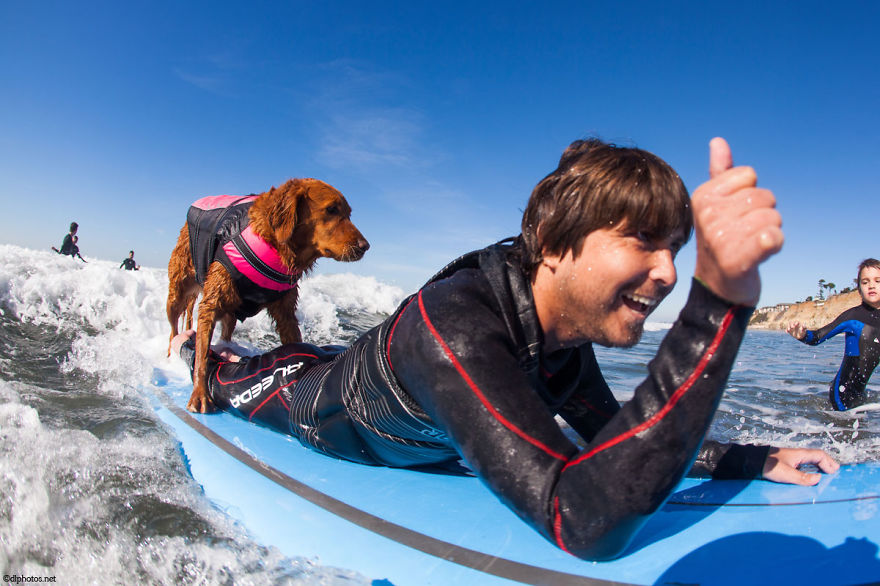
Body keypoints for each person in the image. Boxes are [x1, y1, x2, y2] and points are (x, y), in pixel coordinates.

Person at [172, 137, 838, 561]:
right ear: (550, 242)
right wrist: (715, 304)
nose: (667, 272)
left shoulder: (561, 338)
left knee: (312, 353)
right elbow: (581, 524)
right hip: (310, 405)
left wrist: (748, 459)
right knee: (236, 369)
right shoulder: (456, 327)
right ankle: (182, 347)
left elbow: (609, 433)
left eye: (675, 251)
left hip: (394, 405)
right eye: (642, 242)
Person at [787, 258, 880, 410]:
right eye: (865, 282)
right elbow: (817, 337)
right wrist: (802, 335)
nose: (871, 285)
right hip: (842, 395)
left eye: (877, 281)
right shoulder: (853, 316)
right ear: (859, 289)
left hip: (860, 395)